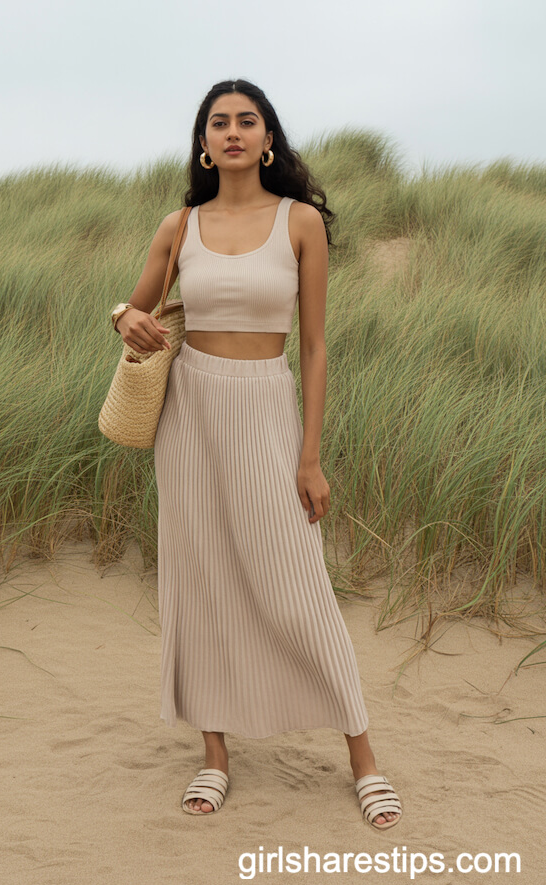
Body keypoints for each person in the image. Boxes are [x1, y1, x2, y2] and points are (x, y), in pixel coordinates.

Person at [113, 78, 403, 830]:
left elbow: (313, 346)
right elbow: (136, 309)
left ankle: (364, 758)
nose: (233, 132)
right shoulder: (178, 225)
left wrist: (310, 457)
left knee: (296, 580)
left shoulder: (299, 222)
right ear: (203, 143)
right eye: (219, 122)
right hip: (190, 412)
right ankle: (214, 755)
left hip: (266, 407)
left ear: (268, 138)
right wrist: (122, 316)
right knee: (199, 576)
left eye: (248, 121)